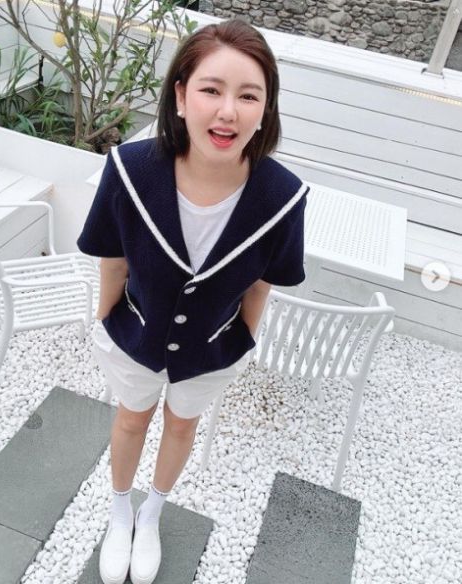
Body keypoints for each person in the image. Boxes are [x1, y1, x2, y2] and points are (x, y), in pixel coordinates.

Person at [76, 17, 309, 584]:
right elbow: (113, 258)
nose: (228, 111)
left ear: (266, 109)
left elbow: (262, 283)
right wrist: (106, 321)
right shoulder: (130, 170)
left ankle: (152, 514)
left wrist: (243, 339)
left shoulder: (284, 197)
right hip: (134, 334)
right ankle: (121, 511)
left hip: (212, 349)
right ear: (180, 96)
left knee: (182, 427)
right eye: (211, 90)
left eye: (248, 96)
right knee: (132, 419)